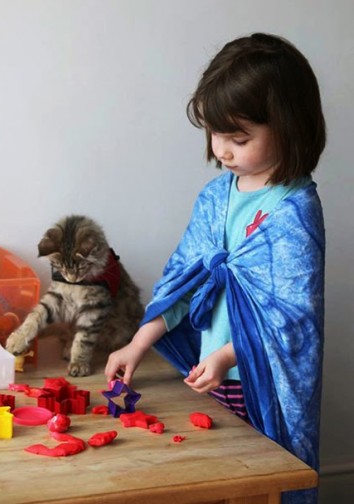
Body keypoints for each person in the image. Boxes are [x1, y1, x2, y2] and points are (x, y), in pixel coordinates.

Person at [104, 33, 325, 504]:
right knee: (211, 482)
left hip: (254, 384)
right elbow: (185, 281)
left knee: (252, 486)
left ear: (289, 128)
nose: (221, 150)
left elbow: (291, 321)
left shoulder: (294, 212)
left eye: (238, 138)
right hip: (208, 377)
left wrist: (226, 357)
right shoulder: (215, 198)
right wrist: (139, 342)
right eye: (214, 133)